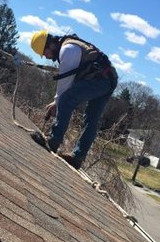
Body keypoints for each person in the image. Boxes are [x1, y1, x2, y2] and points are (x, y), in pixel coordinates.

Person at [30, 30, 118, 169]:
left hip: (101, 79)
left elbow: (65, 84)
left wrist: (57, 103)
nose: (46, 57)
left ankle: (53, 141)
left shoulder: (68, 50)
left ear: (51, 45)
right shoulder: (69, 48)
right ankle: (77, 158)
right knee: (91, 118)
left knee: (67, 100)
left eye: (45, 53)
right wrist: (56, 101)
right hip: (108, 79)